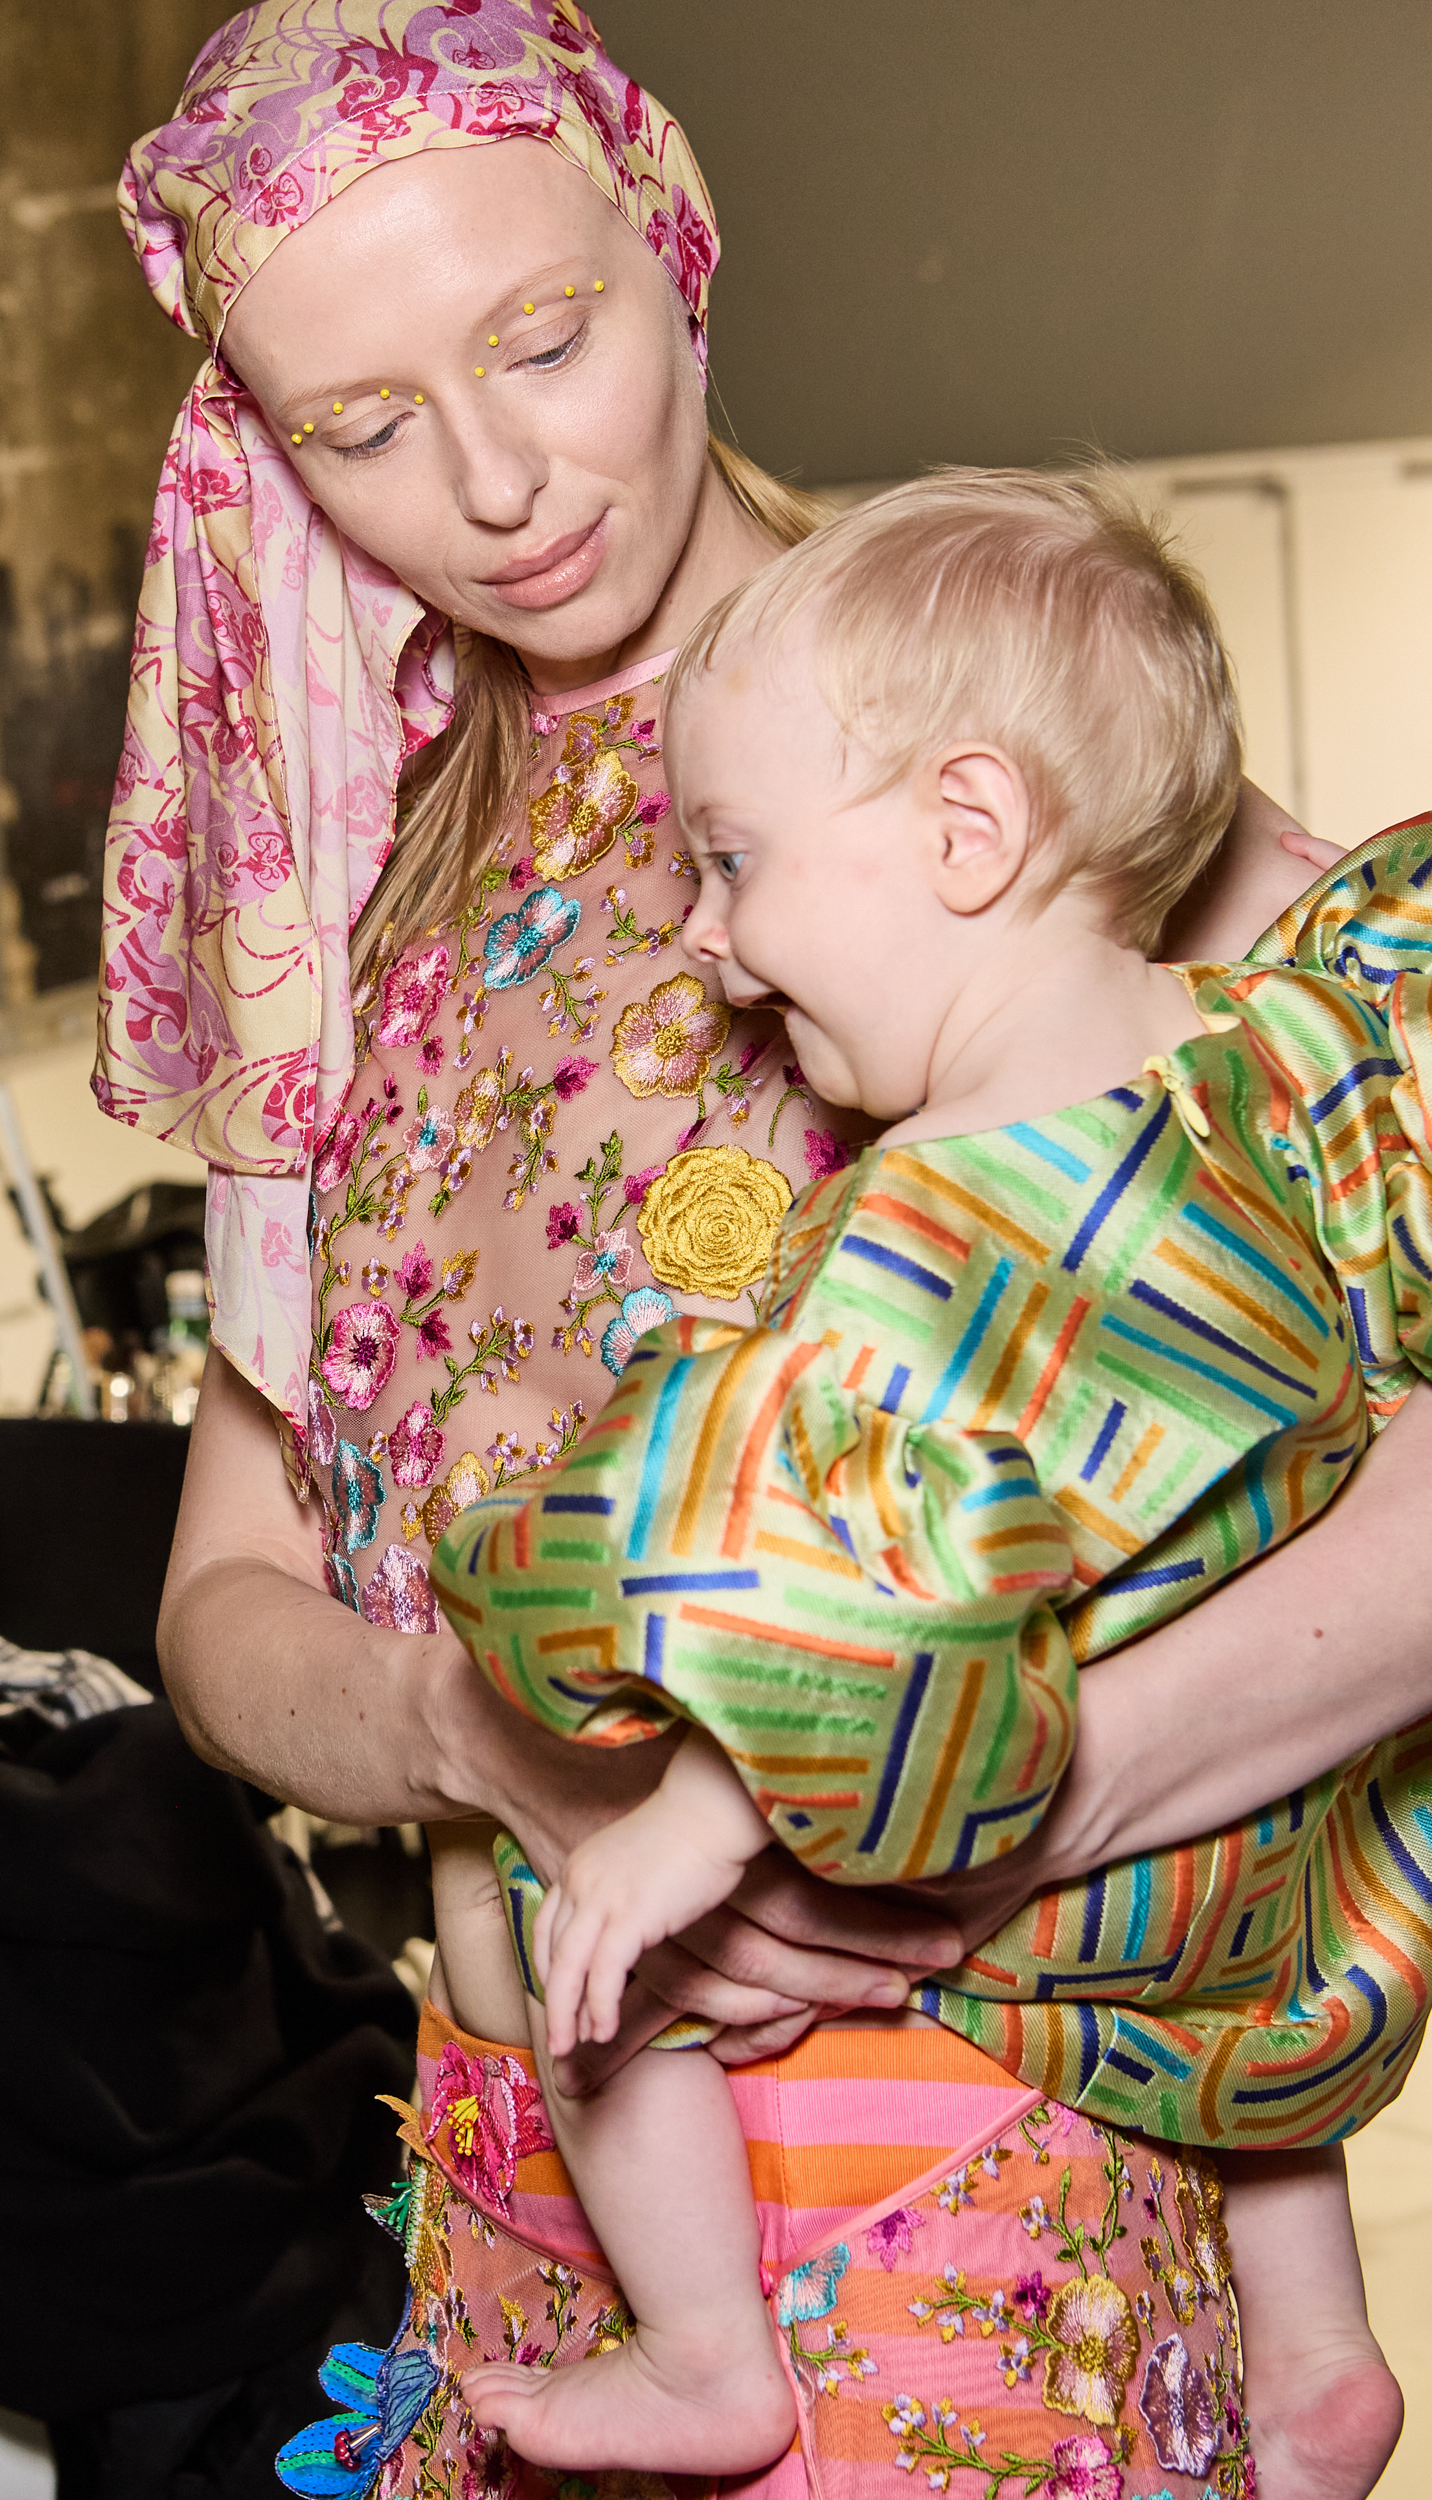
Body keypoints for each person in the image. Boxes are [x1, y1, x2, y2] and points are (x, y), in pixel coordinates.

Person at [103, 8, 1422, 2496]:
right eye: (362, 429)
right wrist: (476, 1740)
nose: (496, 486)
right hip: (523, 2169)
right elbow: (228, 1592)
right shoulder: (345, 890)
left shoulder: (970, 730)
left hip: (987, 2178)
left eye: (545, 339)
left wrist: (972, 1804)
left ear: (674, 242)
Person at [436, 467, 1432, 2491]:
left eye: (729, 861)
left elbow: (859, 1622)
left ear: (966, 832)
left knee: (589, 1920)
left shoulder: (925, 1243)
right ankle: (1318, 2340)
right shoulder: (1259, 1065)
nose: (706, 945)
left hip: (1060, 1883)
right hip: (1289, 1892)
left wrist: (689, 1821)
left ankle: (703, 2345)